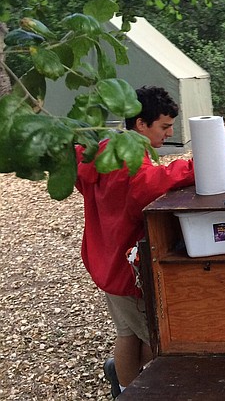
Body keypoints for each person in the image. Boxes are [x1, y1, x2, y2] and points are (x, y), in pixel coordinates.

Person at [75, 86, 196, 398]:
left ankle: (124, 382)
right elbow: (148, 185)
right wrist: (201, 163)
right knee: (152, 339)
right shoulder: (129, 161)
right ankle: (135, 392)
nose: (168, 134)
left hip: (104, 259)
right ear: (141, 124)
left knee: (129, 333)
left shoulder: (102, 149)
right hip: (126, 268)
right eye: (164, 127)